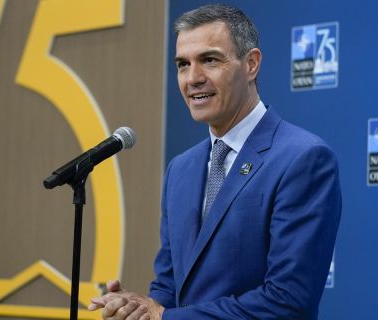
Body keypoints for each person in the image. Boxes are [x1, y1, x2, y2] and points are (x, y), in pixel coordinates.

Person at [89, 4, 341, 319]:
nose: (193, 78)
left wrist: (165, 318)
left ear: (251, 64)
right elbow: (169, 288)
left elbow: (287, 301)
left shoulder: (303, 159)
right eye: (183, 64)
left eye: (209, 60)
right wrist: (137, 308)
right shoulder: (180, 169)